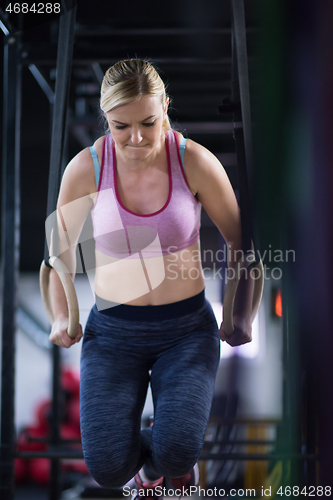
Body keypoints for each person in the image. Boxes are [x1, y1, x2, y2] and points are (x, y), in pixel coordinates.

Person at [47, 59, 253, 498]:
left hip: (186, 333)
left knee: (178, 450)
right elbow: (57, 254)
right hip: (113, 334)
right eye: (121, 126)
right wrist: (60, 317)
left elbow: (242, 243)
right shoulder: (86, 168)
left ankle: (164, 462)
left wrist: (241, 316)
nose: (136, 137)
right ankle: (149, 466)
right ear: (106, 118)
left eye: (148, 122)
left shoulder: (193, 160)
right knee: (105, 468)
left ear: (165, 108)